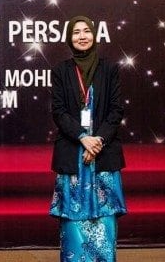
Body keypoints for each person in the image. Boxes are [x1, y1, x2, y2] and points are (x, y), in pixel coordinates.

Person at [49, 15, 127, 262]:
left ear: (94, 35)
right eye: (76, 32)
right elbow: (59, 112)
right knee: (73, 225)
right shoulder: (61, 71)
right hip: (73, 154)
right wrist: (84, 138)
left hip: (104, 154)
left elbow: (116, 110)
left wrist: (98, 141)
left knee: (104, 221)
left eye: (86, 31)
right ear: (69, 38)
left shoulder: (110, 69)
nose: (82, 36)